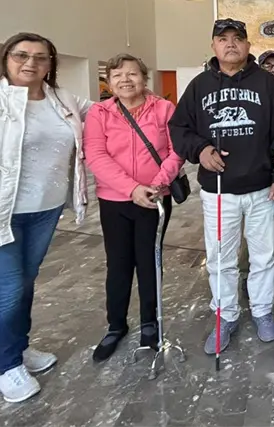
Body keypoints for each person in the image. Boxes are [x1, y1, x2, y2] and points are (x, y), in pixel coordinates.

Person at [0, 33, 90, 403]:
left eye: (40, 57)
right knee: (7, 291)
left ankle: (18, 349)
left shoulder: (63, 100)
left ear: (50, 64)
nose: (30, 63)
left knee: (25, 282)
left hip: (44, 209)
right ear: (5, 58)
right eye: (21, 55)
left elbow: (111, 109)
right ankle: (6, 369)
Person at [168, 18, 274, 349]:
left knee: (264, 256)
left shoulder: (268, 84)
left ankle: (263, 311)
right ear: (213, 46)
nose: (231, 44)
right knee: (221, 257)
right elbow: (178, 129)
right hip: (219, 191)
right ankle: (226, 314)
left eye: (238, 38)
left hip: (262, 188)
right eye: (223, 39)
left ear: (249, 46)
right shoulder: (199, 86)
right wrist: (202, 149)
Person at [83, 54, 183, 362]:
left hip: (155, 198)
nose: (125, 80)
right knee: (119, 263)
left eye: (132, 74)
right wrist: (132, 188)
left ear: (144, 78)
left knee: (149, 261)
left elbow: (177, 150)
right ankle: (116, 325)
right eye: (117, 76)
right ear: (109, 82)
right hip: (115, 201)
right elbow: (96, 155)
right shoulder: (99, 113)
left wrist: (155, 184)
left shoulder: (165, 109)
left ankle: (150, 323)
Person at [240, 49, 274, 285]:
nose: (273, 69)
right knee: (252, 225)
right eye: (267, 65)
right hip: (257, 167)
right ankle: (248, 269)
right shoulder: (249, 94)